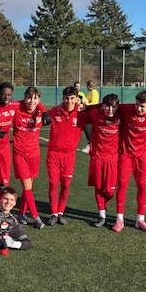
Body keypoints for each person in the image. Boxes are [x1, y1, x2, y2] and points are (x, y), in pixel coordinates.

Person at [115, 90, 146, 232]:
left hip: (144, 157)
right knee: (122, 186)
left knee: (142, 187)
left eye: (142, 106)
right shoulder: (127, 109)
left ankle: (140, 220)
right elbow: (108, 105)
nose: (138, 108)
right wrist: (85, 107)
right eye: (137, 104)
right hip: (126, 154)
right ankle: (119, 219)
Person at [45, 86, 91, 226]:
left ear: (76, 98)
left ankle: (61, 212)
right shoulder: (55, 111)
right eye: (66, 98)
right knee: (53, 184)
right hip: (53, 155)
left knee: (66, 184)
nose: (69, 101)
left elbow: (97, 115)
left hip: (69, 156)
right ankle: (54, 213)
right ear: (63, 98)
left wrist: (87, 108)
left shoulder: (82, 114)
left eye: (72, 98)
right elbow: (41, 112)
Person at [12, 87, 51, 229]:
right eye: (29, 98)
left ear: (39, 100)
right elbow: (6, 105)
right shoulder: (17, 110)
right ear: (24, 98)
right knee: (27, 186)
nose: (31, 101)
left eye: (35, 98)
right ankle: (36, 217)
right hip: (20, 154)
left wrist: (44, 111)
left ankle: (21, 213)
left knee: (28, 186)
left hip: (34, 154)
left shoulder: (40, 113)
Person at [83, 94, 122, 230]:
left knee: (110, 191)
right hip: (97, 157)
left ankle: (104, 206)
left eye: (113, 107)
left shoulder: (121, 117)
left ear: (118, 107)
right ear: (103, 106)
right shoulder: (96, 114)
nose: (110, 110)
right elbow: (87, 108)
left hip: (113, 159)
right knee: (98, 187)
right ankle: (102, 215)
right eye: (107, 106)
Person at [81, 80, 100, 154]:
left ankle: (90, 145)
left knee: (87, 128)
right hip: (90, 112)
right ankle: (91, 144)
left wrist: (85, 102)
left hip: (92, 113)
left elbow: (94, 103)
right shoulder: (92, 92)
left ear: (89, 86)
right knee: (87, 128)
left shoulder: (94, 92)